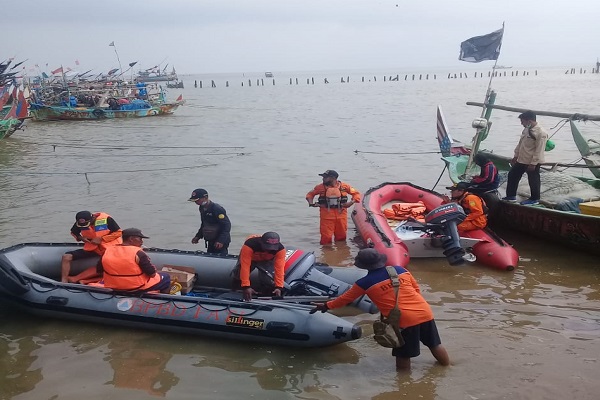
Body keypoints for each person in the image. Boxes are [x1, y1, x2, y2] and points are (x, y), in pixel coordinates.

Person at [311, 248, 450, 370]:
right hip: (425, 311)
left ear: (363, 265)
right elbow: (416, 289)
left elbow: (345, 299)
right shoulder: (400, 270)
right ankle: (446, 368)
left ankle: (403, 385)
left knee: (403, 354)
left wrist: (325, 306)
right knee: (434, 344)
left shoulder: (364, 283)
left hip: (404, 319)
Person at [97, 228, 171, 293]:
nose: (142, 242)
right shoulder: (138, 253)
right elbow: (152, 274)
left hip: (113, 286)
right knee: (166, 276)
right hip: (136, 287)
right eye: (140, 239)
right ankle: (164, 301)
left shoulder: (107, 251)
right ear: (131, 239)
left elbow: (99, 271)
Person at [61, 211, 122, 283]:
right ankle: (64, 281)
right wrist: (82, 238)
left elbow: (119, 232)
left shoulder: (106, 219)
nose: (85, 226)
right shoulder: (80, 223)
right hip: (93, 248)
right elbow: (74, 232)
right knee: (66, 256)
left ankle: (75, 278)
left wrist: (102, 239)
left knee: (107, 265)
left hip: (110, 248)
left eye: (87, 224)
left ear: (92, 218)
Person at [503, 110, 549, 205]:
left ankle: (535, 199)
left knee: (533, 179)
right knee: (512, 175)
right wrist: (516, 155)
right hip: (522, 159)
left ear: (529, 121)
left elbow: (539, 150)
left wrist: (533, 163)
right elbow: (520, 143)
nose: (521, 124)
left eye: (523, 121)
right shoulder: (526, 129)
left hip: (532, 161)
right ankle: (511, 196)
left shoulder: (541, 132)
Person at [306, 170, 361, 245]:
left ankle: (340, 252)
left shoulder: (344, 186)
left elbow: (356, 194)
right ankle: (327, 254)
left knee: (341, 237)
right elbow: (310, 195)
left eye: (325, 177)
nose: (323, 179)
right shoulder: (320, 187)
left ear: (333, 178)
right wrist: (311, 203)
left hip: (341, 215)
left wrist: (351, 203)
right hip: (326, 217)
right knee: (326, 238)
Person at [231, 232, 286, 301]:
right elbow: (245, 266)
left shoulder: (280, 250)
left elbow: (279, 269)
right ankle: (234, 290)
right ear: (261, 243)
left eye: (272, 248)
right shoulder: (250, 245)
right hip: (251, 258)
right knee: (238, 273)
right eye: (267, 247)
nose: (269, 250)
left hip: (267, 259)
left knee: (268, 278)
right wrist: (246, 286)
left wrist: (279, 287)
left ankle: (265, 294)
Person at [188, 188, 231, 255]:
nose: (196, 202)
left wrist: (221, 241)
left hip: (220, 239)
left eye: (197, 200)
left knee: (220, 257)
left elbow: (226, 226)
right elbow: (204, 224)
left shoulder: (217, 209)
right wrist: (198, 236)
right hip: (211, 239)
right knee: (210, 256)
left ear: (205, 197)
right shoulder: (202, 208)